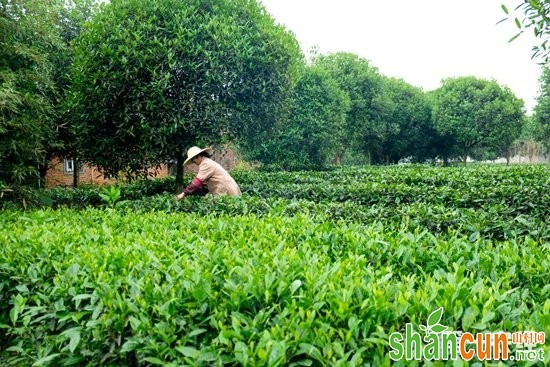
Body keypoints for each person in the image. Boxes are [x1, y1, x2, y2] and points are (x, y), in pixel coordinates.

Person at [176, 146, 241, 199]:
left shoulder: (206, 164)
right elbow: (201, 184)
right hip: (226, 188)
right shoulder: (206, 162)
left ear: (198, 156)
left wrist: (183, 193)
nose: (194, 162)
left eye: (193, 160)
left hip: (227, 190)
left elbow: (197, 182)